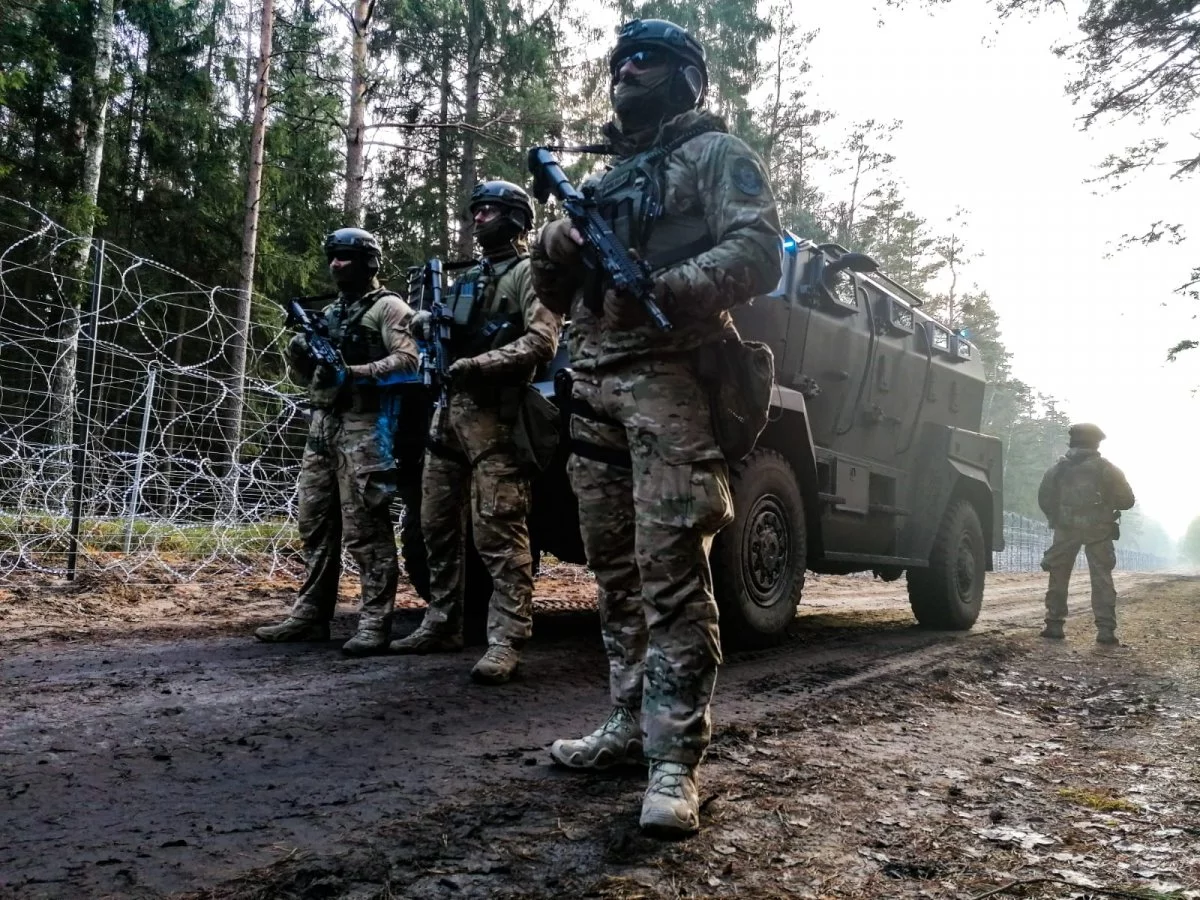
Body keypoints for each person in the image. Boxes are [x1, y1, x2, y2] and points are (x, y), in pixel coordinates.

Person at [528, 19, 782, 837]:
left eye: (649, 60)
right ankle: (627, 725)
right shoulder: (603, 180)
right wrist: (553, 242)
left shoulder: (716, 155)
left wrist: (667, 287)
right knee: (615, 576)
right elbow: (554, 293)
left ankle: (675, 759)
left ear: (687, 76)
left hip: (672, 385)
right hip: (594, 387)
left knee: (672, 575)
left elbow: (758, 251)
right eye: (622, 61)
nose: (630, 71)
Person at [389, 181, 562, 685]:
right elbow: (448, 332)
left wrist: (477, 365)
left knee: (499, 532)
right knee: (435, 526)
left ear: (514, 217)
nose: (479, 217)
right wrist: (425, 323)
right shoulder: (473, 276)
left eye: (489, 210)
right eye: (476, 210)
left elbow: (542, 342)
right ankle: (443, 621)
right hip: (450, 416)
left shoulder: (532, 274)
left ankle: (507, 638)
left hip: (499, 418)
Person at [256, 228, 419, 656]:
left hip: (367, 425)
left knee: (366, 528)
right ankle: (311, 613)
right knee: (314, 523)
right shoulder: (328, 314)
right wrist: (302, 354)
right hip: (323, 424)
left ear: (369, 262)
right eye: (333, 257)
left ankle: (374, 622)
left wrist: (356, 370)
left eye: (346, 257)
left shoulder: (389, 307)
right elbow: (308, 379)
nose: (336, 265)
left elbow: (409, 360)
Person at [1037, 423, 1135, 645]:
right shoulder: (1107, 469)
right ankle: (1106, 630)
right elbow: (1127, 501)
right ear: (1097, 443)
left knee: (1058, 576)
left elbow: (1044, 499)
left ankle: (1053, 625)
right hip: (1099, 530)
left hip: (1065, 529)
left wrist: (1059, 517)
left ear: (1072, 442)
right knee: (1101, 579)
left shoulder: (1057, 469)